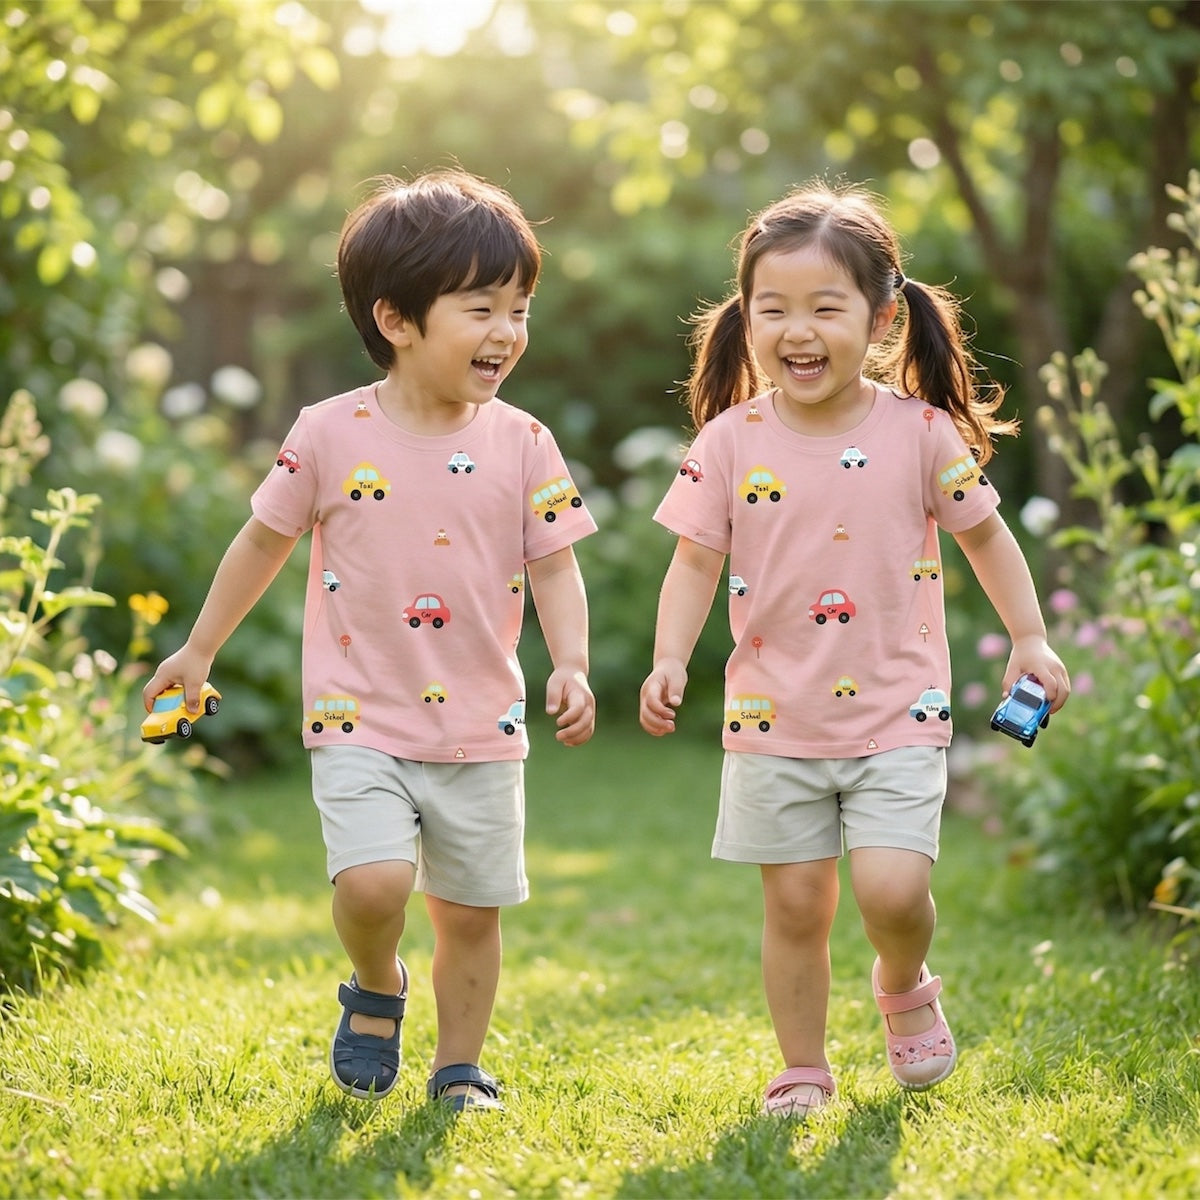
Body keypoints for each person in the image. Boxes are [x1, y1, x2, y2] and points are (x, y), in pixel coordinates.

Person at [144, 169, 597, 1112]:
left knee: (472, 912)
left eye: (519, 309)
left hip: (481, 718)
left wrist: (574, 664)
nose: (507, 333)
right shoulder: (329, 433)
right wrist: (198, 650)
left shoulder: (525, 442)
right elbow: (264, 538)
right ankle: (378, 982)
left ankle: (460, 1066)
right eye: (481, 308)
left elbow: (555, 563)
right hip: (357, 710)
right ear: (396, 319)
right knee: (375, 882)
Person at [638, 180, 1069, 1118]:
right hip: (770, 714)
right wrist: (671, 656)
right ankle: (803, 1066)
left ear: (878, 316)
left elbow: (987, 536)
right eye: (773, 308)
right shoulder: (729, 441)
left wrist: (1029, 637)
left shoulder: (917, 434)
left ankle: (903, 981)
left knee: (892, 888)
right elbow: (693, 564)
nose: (798, 329)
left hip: (896, 709)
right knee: (794, 905)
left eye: (825, 308)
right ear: (744, 317)